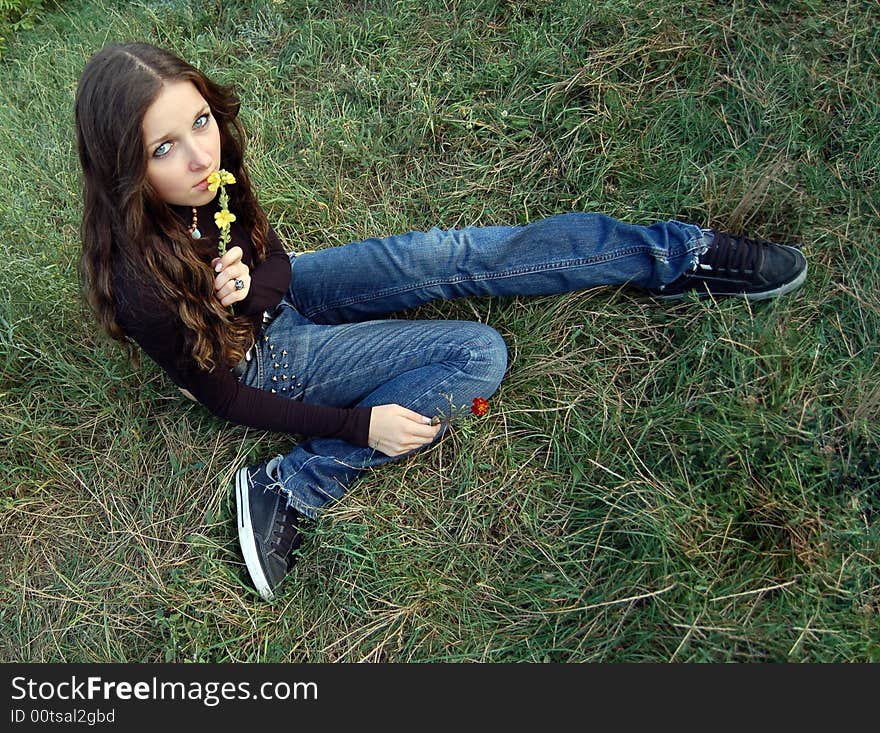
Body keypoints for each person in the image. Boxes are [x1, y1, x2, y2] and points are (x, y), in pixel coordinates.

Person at [74, 42, 807, 602]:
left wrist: (253, 279)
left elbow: (279, 264)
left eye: (200, 121)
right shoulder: (143, 283)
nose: (199, 155)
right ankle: (291, 485)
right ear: (124, 168)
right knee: (475, 357)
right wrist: (360, 429)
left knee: (447, 252)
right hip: (255, 360)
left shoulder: (213, 174)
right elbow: (224, 398)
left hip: (275, 305)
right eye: (163, 148)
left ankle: (672, 255)